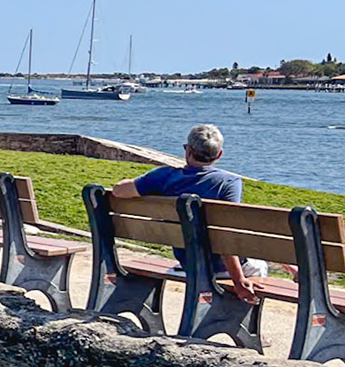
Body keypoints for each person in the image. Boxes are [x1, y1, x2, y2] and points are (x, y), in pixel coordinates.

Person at [110, 123, 263, 301]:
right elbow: (225, 237)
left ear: (188, 151)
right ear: (219, 155)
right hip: (221, 269)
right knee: (260, 264)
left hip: (188, 263)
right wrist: (238, 280)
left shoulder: (164, 176)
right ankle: (238, 315)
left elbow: (119, 191)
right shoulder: (228, 183)